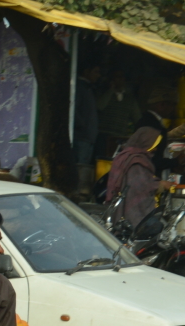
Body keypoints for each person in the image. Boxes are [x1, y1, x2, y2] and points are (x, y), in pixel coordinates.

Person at [104, 126, 163, 234]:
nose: (155, 149)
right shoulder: (137, 162)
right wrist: (159, 185)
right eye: (154, 145)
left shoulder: (126, 156)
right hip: (133, 215)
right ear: (146, 143)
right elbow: (139, 188)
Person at [69, 63, 101, 199]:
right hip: (82, 136)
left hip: (87, 136)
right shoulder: (80, 87)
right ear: (86, 71)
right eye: (96, 71)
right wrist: (82, 126)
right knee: (80, 168)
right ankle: (75, 194)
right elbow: (74, 110)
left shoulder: (88, 88)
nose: (98, 75)